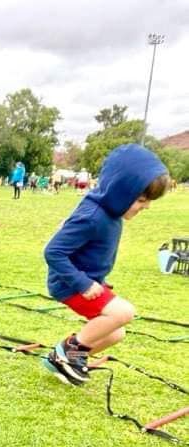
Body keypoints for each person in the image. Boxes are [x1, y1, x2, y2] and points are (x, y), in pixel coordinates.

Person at [41, 144, 169, 385]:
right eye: (141, 200)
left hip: (87, 282)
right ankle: (67, 352)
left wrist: (96, 279)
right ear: (120, 191)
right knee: (124, 312)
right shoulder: (93, 216)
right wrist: (83, 282)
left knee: (115, 332)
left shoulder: (109, 213)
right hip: (70, 284)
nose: (146, 207)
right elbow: (53, 252)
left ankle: (63, 360)